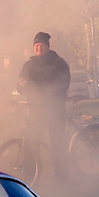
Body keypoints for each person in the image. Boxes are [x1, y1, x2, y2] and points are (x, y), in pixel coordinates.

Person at [16, 31, 71, 175]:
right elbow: (21, 84)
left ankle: (62, 176)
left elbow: (63, 84)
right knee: (31, 142)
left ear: (47, 47)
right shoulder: (29, 65)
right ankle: (30, 176)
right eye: (36, 45)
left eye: (42, 45)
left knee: (58, 143)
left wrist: (46, 95)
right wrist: (21, 84)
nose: (39, 48)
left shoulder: (59, 63)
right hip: (36, 110)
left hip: (55, 109)